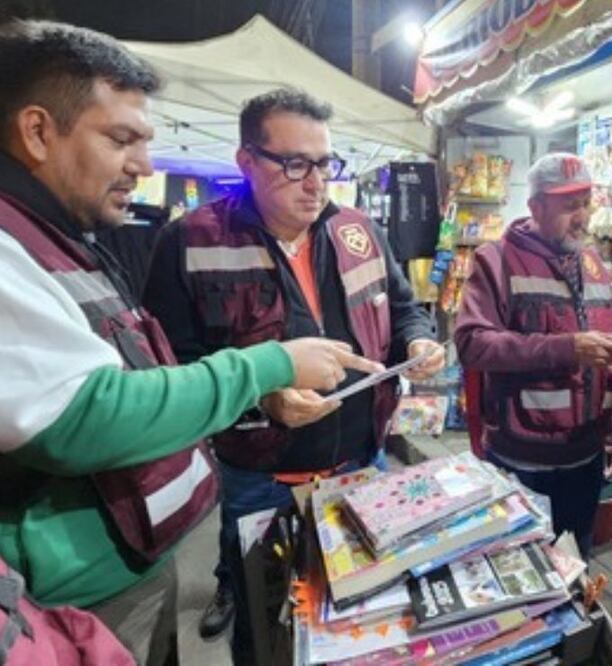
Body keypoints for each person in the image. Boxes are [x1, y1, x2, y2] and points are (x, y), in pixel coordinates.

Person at [0, 19, 376, 666]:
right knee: (264, 600)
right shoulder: (185, 237)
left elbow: (151, 368)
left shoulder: (61, 236)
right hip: (94, 584)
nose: (144, 165)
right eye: (122, 139)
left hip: (322, 461)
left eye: (323, 164)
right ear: (37, 131)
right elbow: (95, 408)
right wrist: (264, 376)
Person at [143, 87, 443, 660]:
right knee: (269, 616)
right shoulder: (192, 241)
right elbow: (169, 371)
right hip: (258, 475)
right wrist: (262, 399)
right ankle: (235, 590)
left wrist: (420, 338)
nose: (315, 182)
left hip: (362, 460)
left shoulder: (358, 230)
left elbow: (404, 306)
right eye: (296, 164)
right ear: (247, 161)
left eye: (325, 163)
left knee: (360, 610)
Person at [454, 152, 612, 560]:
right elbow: (471, 344)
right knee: (523, 567)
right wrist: (566, 348)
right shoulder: (495, 260)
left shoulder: (595, 265)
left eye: (586, 203)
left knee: (575, 559)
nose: (582, 217)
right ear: (534, 207)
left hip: (585, 455)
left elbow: (611, 358)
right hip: (521, 458)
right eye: (570, 207)